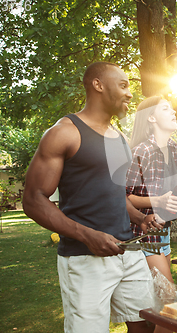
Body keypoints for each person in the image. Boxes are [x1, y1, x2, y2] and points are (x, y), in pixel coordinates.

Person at [22, 62, 155, 333]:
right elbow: (34, 199)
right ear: (98, 85)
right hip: (84, 258)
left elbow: (115, 193)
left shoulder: (119, 138)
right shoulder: (64, 132)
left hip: (128, 252)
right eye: (123, 85)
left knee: (146, 325)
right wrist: (87, 235)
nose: (130, 94)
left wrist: (140, 218)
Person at [126, 96, 177, 287]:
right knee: (167, 294)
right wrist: (158, 201)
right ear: (151, 118)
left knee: (157, 299)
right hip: (142, 233)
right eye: (166, 109)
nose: (174, 111)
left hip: (162, 230)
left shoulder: (173, 148)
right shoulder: (143, 151)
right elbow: (124, 197)